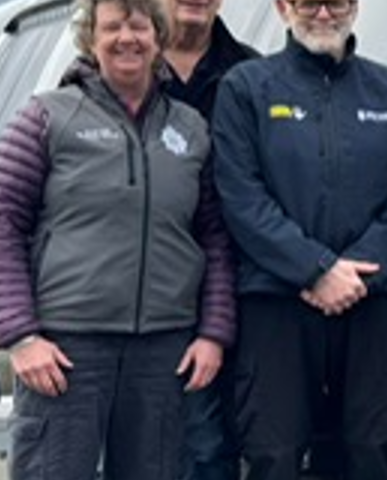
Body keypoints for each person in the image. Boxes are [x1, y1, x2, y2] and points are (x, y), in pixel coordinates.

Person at [0, 0, 233, 478]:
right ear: (90, 41)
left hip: (164, 351)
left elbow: (215, 239)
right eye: (112, 26)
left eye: (139, 26)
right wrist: (20, 335)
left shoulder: (190, 129)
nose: (127, 38)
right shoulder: (46, 118)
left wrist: (213, 334)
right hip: (65, 349)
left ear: (158, 38)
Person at [211, 0, 387, 477]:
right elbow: (241, 196)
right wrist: (315, 269)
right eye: (309, 1)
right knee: (275, 454)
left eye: (336, 1)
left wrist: (355, 272)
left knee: (374, 448)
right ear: (283, 7)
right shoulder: (246, 88)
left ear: (354, 7)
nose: (324, 14)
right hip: (278, 304)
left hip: (371, 303)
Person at [156, 0, 260, 478]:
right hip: (149, 299)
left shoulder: (254, 73)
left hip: (242, 293)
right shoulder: (119, 69)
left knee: (220, 449)